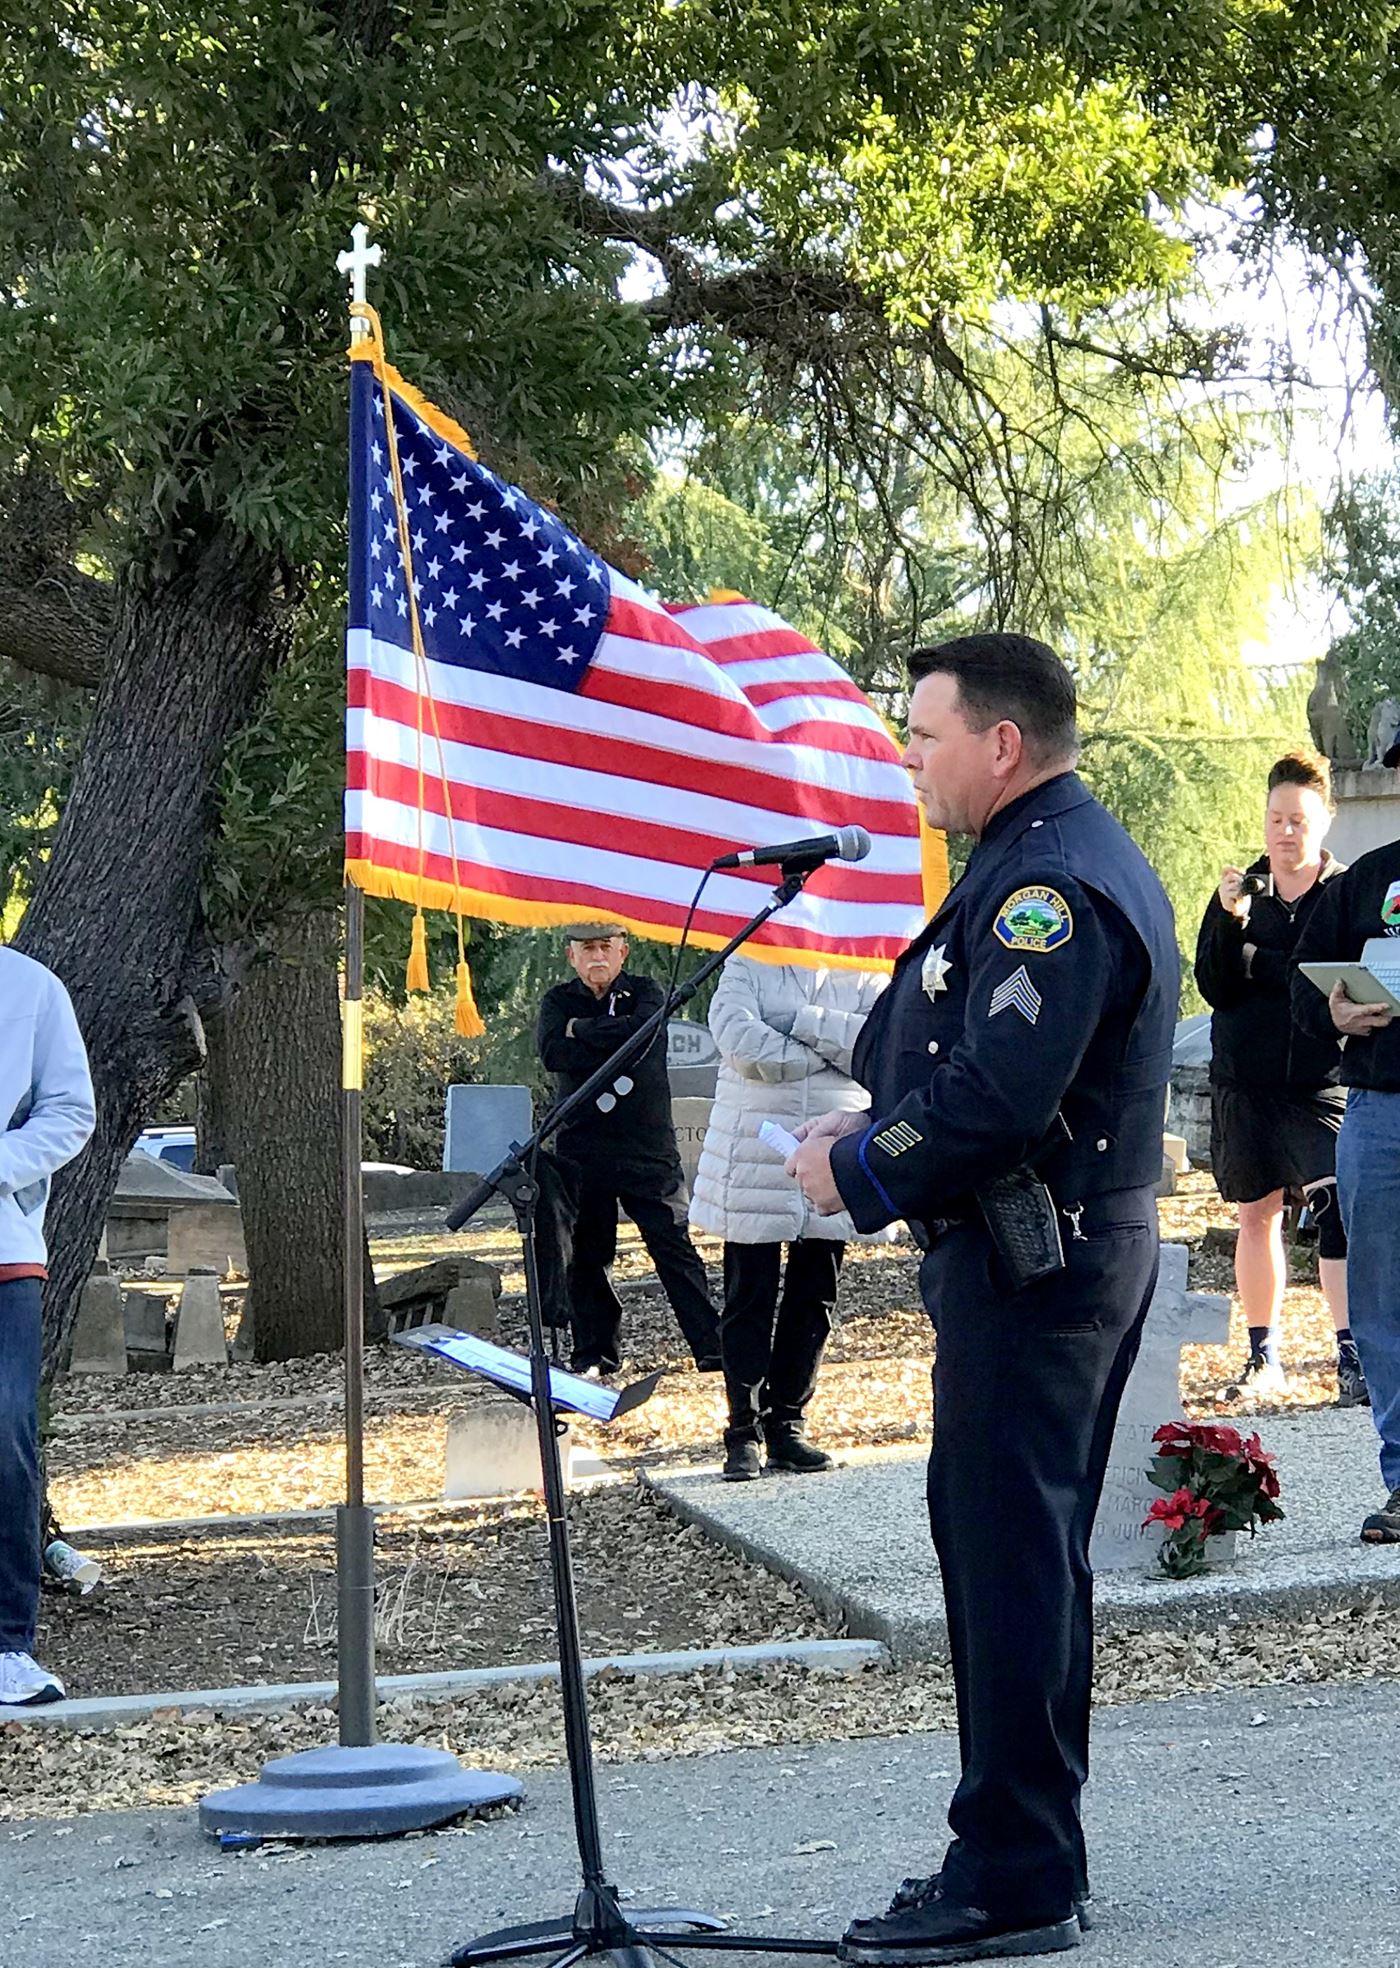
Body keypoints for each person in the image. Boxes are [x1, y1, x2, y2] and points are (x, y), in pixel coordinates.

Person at [791, 634, 1177, 1964]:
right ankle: (1032, 1853)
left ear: (999, 744)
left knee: (1009, 1560)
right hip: (1050, 1257)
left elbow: (1005, 1096)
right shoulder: (1041, 857)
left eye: (924, 734)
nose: (911, 762)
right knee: (1022, 1556)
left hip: (1040, 1264)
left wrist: (854, 1166)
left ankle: (1012, 1876)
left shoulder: (1046, 885)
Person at [1194, 751, 1360, 1404]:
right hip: (1245, 1079)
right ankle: (1263, 1356)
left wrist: (1266, 960)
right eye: (1275, 819)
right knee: (1256, 1215)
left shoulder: (1344, 892)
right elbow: (1214, 981)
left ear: (1323, 823)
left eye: (1298, 820)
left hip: (1320, 1078)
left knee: (1338, 1214)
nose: (1285, 832)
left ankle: (1350, 1356)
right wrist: (1231, 924)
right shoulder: (1244, 892)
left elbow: (1334, 977)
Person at [689, 954, 889, 1481]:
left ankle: (788, 1425)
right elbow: (742, 1045)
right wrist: (830, 1051)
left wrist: (799, 1021)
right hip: (756, 1152)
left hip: (833, 1150)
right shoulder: (747, 964)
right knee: (748, 1296)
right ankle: (742, 1432)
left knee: (815, 1297)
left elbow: (875, 1046)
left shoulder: (864, 966)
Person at [537, 922, 720, 1377]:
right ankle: (595, 1352)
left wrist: (581, 1031)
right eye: (586, 949)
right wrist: (604, 1034)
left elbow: (644, 1038)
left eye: (605, 947)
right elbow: (554, 1053)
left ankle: (712, 1347)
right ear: (571, 956)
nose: (597, 957)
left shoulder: (648, 991)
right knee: (588, 1253)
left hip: (646, 1145)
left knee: (672, 1244)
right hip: (584, 1144)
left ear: (623, 952)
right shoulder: (558, 1002)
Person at [1291, 829, 1400, 1543]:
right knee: (1382, 1296)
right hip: (1377, 1108)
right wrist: (1330, 1014)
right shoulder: (1369, 878)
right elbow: (1304, 985)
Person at [0, 941, 95, 1707]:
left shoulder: (31, 987)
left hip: (4, 1259)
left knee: (6, 1438)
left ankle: (7, 1645)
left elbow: (71, 1110)